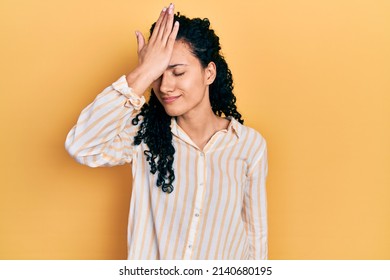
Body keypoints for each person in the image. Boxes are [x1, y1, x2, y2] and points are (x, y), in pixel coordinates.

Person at [65, 3, 268, 260]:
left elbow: (255, 235)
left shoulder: (250, 145)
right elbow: (81, 146)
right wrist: (143, 73)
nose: (165, 87)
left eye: (178, 72)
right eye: (158, 75)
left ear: (209, 73)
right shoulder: (143, 136)